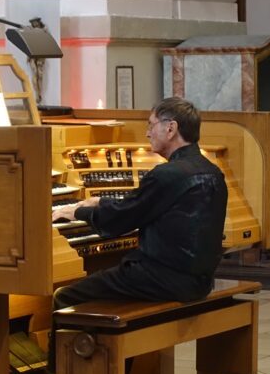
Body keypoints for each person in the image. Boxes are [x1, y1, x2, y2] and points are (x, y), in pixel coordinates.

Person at [52, 97, 227, 307]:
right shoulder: (212, 171)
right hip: (199, 280)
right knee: (112, 272)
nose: (147, 133)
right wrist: (101, 202)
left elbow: (120, 220)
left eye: (151, 125)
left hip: (163, 279)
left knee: (64, 296)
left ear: (171, 128)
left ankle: (78, 340)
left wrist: (77, 212)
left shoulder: (167, 174)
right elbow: (141, 205)